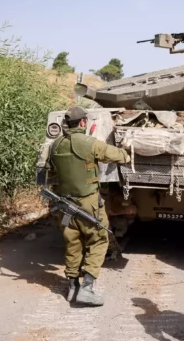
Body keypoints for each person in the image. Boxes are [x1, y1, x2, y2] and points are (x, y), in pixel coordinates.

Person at [49, 106, 131, 306]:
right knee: (99, 239)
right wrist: (126, 152)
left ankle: (72, 286)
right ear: (84, 122)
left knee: (72, 242)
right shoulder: (89, 143)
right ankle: (87, 287)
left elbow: (51, 173)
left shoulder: (56, 145)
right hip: (88, 202)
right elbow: (119, 156)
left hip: (64, 203)